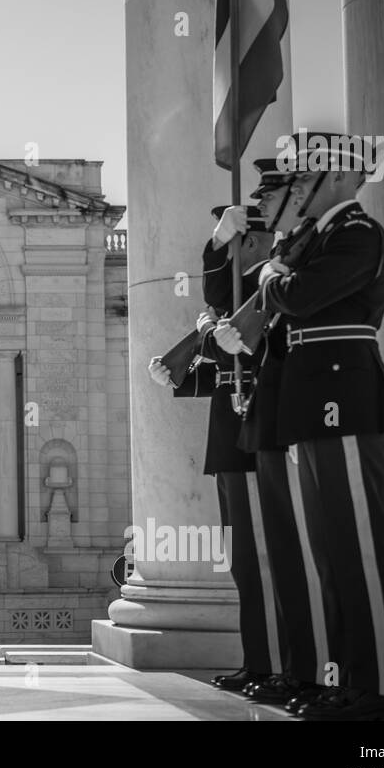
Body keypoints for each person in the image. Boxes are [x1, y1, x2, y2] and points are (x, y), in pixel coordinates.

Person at [229, 135, 384, 720]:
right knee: (330, 549)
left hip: (345, 396)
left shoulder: (357, 233)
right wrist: (277, 275)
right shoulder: (320, 238)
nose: (295, 188)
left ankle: (379, 685)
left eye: (304, 179)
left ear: (335, 176)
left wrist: (274, 277)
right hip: (315, 398)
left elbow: (300, 298)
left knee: (356, 543)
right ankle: (347, 680)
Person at [148, 200, 281, 693]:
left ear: (259, 239)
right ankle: (260, 662)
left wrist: (207, 330)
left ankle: (283, 664)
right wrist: (183, 377)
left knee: (272, 555)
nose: (229, 251)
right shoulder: (239, 300)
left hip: (265, 430)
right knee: (245, 559)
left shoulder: (272, 287)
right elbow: (229, 366)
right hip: (232, 434)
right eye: (225, 241)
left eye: (235, 240)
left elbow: (257, 356)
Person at [215, 158, 331, 714]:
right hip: (254, 423)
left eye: (246, 236)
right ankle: (275, 664)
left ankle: (300, 668)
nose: (242, 248)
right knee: (254, 558)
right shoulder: (267, 267)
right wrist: (216, 249)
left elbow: (276, 327)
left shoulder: (289, 263)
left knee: (284, 552)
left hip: (287, 416)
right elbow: (224, 302)